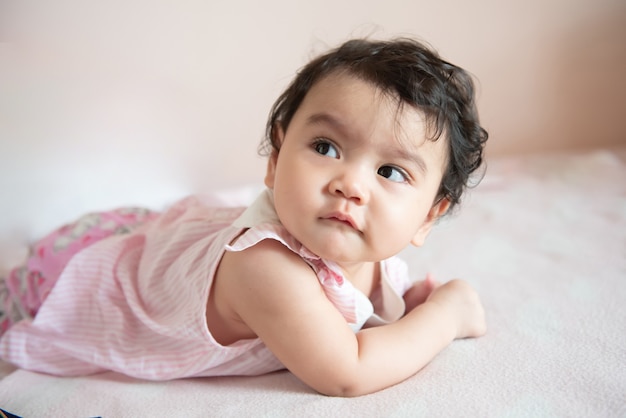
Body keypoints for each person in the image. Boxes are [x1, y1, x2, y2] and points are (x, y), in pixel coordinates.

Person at [0, 37, 488, 397]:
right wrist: (444, 316)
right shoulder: (265, 268)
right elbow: (347, 371)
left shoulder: (363, 250)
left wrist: (402, 307)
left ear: (429, 216)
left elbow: (352, 316)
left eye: (390, 171)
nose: (351, 184)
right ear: (276, 159)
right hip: (80, 282)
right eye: (326, 147)